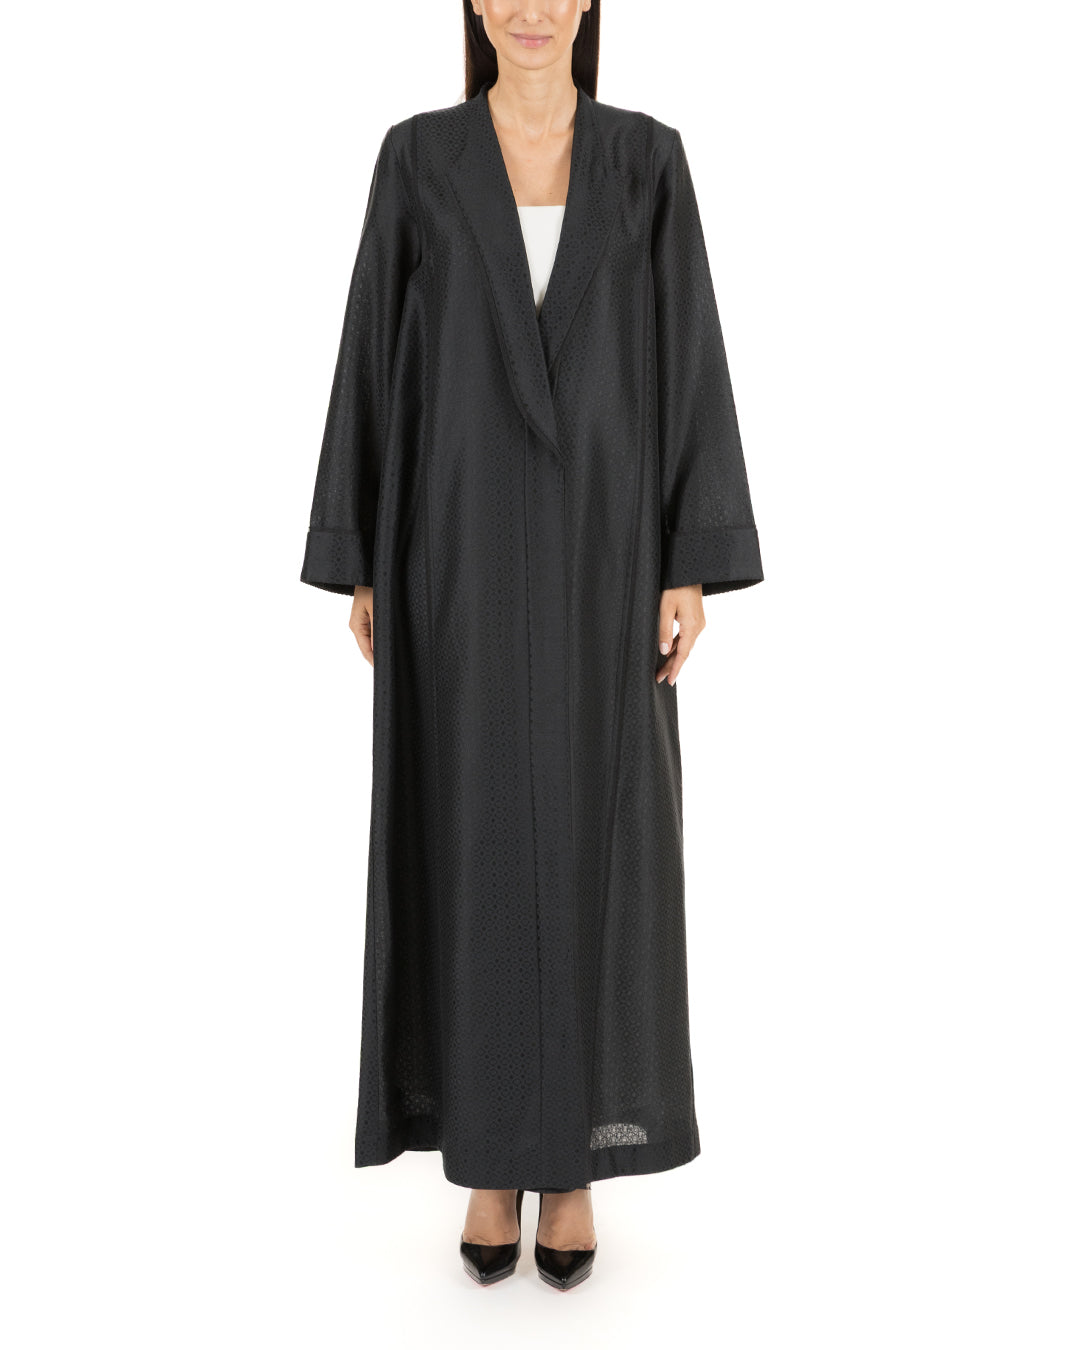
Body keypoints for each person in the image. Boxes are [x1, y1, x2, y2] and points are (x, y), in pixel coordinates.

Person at [299, 0, 764, 1290]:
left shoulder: (649, 160)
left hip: (607, 554)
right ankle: (490, 1160)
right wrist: (361, 553)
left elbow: (690, 352)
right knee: (475, 841)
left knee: (598, 843)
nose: (531, 7)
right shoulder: (418, 158)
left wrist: (688, 557)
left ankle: (570, 1169)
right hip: (454, 547)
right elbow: (370, 352)